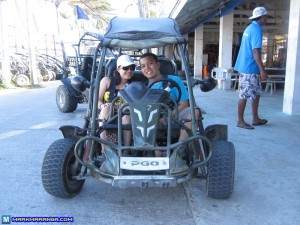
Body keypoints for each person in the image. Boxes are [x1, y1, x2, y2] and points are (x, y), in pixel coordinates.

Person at [139, 53, 200, 150]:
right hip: (151, 121)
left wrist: (168, 116)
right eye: (143, 66)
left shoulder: (174, 80)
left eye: (150, 63)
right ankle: (155, 151)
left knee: (194, 111)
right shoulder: (142, 87)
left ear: (158, 64)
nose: (147, 68)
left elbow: (184, 104)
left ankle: (179, 149)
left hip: (174, 116)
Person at [234, 6, 269, 129]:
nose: (266, 19)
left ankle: (255, 118)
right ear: (263, 17)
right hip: (249, 68)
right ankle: (240, 121)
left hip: (247, 67)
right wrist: (262, 70)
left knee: (256, 93)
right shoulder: (257, 29)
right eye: (266, 16)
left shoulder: (249, 28)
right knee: (244, 95)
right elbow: (255, 51)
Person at [98, 55, 135, 152]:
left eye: (132, 68)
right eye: (126, 68)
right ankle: (105, 150)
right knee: (106, 109)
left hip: (126, 112)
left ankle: (125, 150)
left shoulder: (134, 85)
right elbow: (97, 99)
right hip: (108, 112)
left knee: (126, 115)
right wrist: (103, 105)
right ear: (118, 69)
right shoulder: (107, 81)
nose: (129, 71)